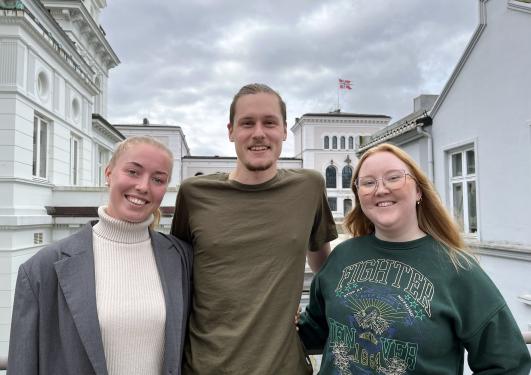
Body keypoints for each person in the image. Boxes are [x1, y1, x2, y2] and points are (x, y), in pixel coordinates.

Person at [297, 143, 531, 374]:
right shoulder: (342, 257)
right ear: (359, 195)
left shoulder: (459, 269)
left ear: (418, 190)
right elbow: (314, 331)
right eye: (368, 183)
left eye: (394, 178)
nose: (380, 189)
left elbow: (508, 364)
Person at [171, 83, 338, 374]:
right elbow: (176, 273)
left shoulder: (309, 187)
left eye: (269, 122)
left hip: (285, 366)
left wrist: (311, 320)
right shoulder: (193, 194)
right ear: (231, 130)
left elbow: (325, 268)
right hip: (206, 366)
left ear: (285, 130)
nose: (258, 133)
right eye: (247, 123)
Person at [8, 136, 193, 375]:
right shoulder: (43, 268)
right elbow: (22, 365)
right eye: (133, 172)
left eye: (158, 179)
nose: (144, 186)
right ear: (108, 173)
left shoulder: (181, 259)